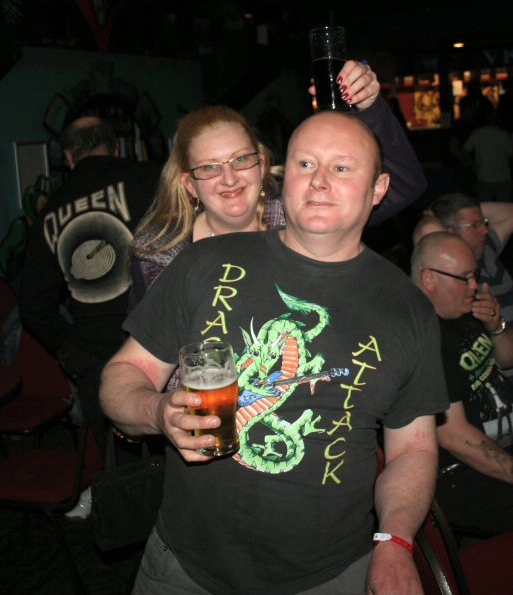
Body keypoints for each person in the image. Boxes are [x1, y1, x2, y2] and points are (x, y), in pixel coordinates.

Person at [100, 110, 448, 594]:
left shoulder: (409, 309)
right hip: (183, 566)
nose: (320, 181)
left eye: (342, 167)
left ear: (378, 188)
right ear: (285, 177)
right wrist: (157, 411)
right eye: (306, 163)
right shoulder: (205, 262)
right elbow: (123, 375)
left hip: (329, 576)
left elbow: (413, 448)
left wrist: (395, 540)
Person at [129, 60, 427, 307]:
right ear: (189, 184)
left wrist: (370, 107)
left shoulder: (297, 215)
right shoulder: (160, 253)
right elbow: (146, 347)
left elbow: (404, 183)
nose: (229, 178)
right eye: (210, 167)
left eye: (240, 160)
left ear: (261, 165)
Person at [19, 115, 161, 457]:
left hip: (97, 360)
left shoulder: (50, 213)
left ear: (69, 157)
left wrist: (74, 350)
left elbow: (33, 306)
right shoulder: (150, 179)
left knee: (124, 473)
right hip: (161, 347)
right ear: (115, 147)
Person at [411, 232, 513, 535]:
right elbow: (454, 436)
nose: (474, 285)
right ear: (429, 278)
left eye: (475, 275)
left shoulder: (460, 309)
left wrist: (495, 326)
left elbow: (507, 360)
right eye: (464, 278)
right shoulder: (421, 338)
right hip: (465, 475)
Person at [429, 193, 513, 381]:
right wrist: (434, 218)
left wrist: (463, 209)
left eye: (484, 222)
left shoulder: (487, 250)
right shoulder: (452, 281)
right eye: (475, 225)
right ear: (450, 232)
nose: (484, 229)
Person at [462, 108, 513, 202]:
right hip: (503, 177)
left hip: (484, 177)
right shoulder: (504, 135)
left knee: (484, 207)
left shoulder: (478, 133)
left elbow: (465, 150)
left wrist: (472, 165)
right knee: (504, 207)